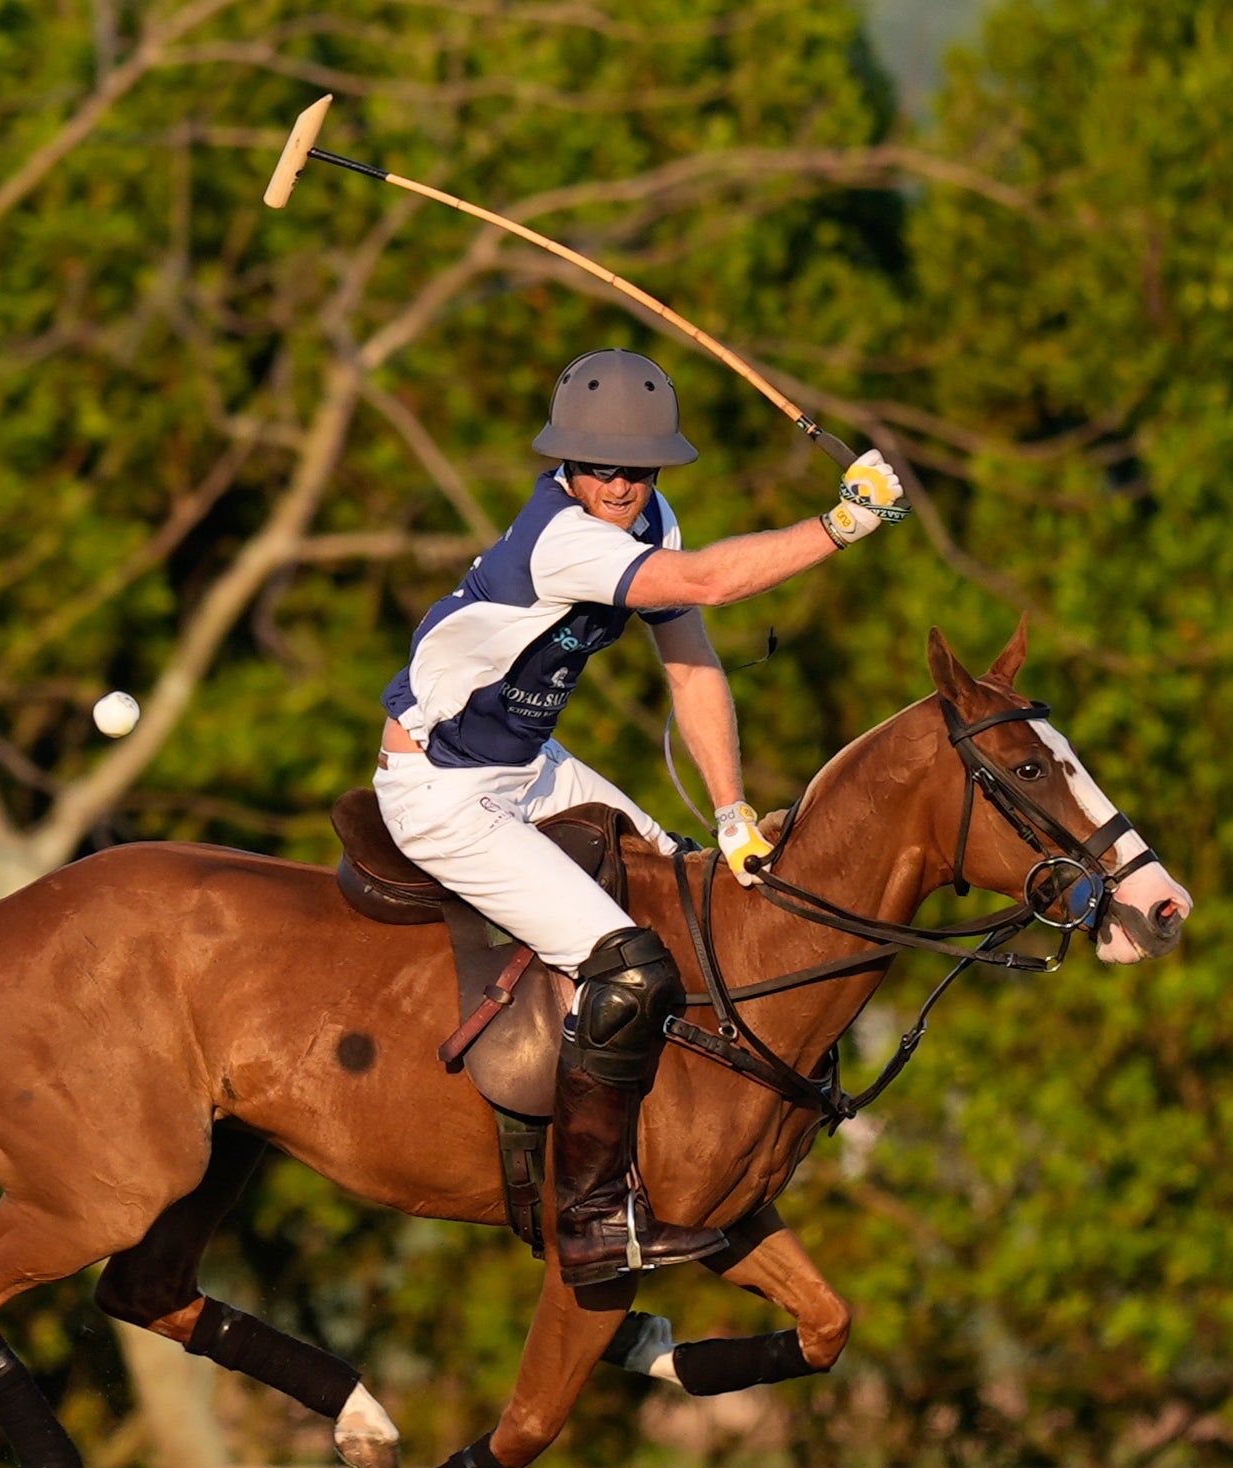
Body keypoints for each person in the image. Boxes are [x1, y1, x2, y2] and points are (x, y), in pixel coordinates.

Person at [376, 349, 902, 1285]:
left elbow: (691, 660)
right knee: (627, 963)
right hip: (441, 790)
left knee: (688, 887)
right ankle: (587, 1219)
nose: (621, 485)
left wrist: (733, 810)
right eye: (602, 467)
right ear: (567, 464)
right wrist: (840, 525)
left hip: (526, 768)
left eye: (639, 469)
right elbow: (703, 585)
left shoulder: (646, 518)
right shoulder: (562, 538)